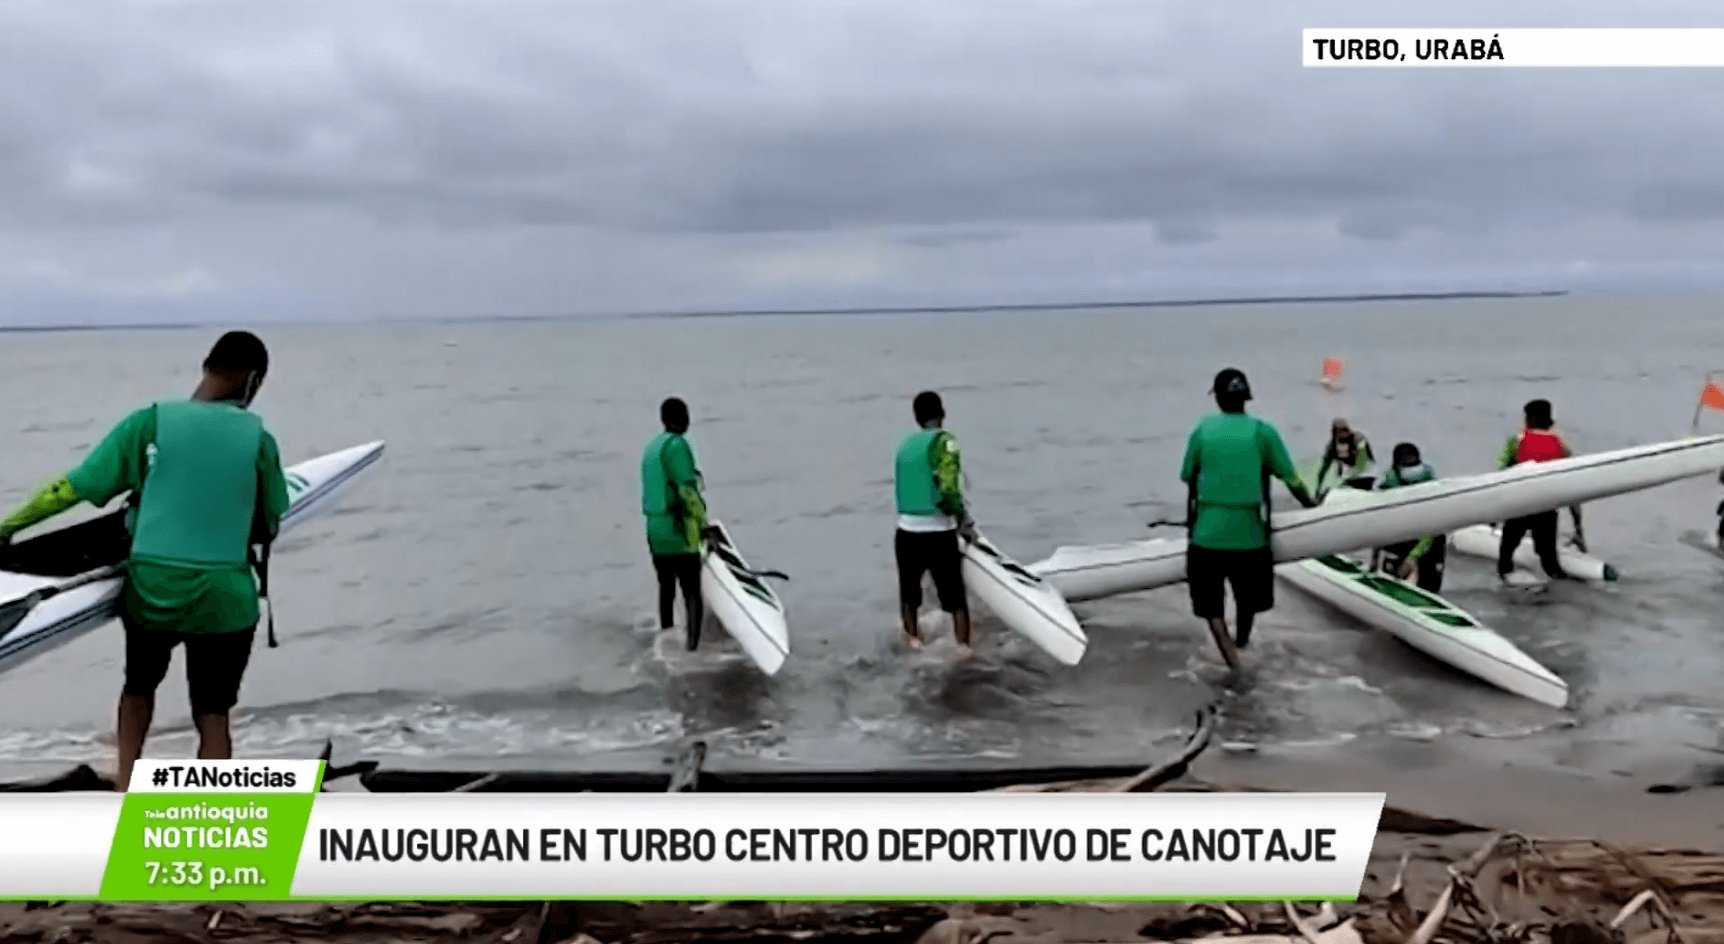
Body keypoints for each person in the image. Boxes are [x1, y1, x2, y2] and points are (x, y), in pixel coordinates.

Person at [0, 331, 288, 793]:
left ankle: (125, 788)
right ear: (251, 380)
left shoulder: (149, 424)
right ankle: (212, 812)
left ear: (206, 366)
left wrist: (9, 525)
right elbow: (272, 518)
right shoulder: (260, 440)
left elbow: (74, 488)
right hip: (225, 600)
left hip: (155, 590)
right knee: (213, 714)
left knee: (138, 691)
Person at [1179, 368, 1320, 669]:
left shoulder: (1202, 431)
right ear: (1247, 398)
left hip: (1207, 536)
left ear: (1217, 398)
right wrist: (1312, 505)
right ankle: (1242, 643)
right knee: (1248, 601)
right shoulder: (1263, 432)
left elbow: (1186, 475)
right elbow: (1290, 477)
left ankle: (1232, 660)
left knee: (1210, 607)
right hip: (1251, 536)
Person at [893, 390, 976, 657]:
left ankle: (913, 642)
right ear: (942, 413)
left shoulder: (905, 445)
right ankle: (963, 649)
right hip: (938, 533)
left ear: (917, 418)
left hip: (905, 532)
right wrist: (963, 519)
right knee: (956, 599)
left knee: (909, 595)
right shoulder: (945, 441)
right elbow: (949, 487)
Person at [641, 397, 709, 651]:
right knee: (692, 590)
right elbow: (688, 491)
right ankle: (692, 649)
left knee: (666, 587)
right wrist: (703, 526)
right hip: (677, 530)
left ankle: (666, 639)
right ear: (686, 418)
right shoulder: (678, 446)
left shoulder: (651, 448)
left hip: (654, 530)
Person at [1494, 398, 1584, 582]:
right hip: (1546, 508)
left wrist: (1493, 517)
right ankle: (1563, 592)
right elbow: (1571, 485)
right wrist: (1577, 526)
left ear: (1529, 418)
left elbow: (1500, 473)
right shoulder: (1560, 443)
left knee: (1506, 555)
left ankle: (1507, 585)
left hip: (1520, 506)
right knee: (1550, 562)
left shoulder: (1517, 440)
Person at [1374, 442, 1446, 592]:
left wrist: (1412, 557)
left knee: (1429, 584)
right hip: (1399, 536)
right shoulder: (1390, 482)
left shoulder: (1429, 485)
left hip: (1427, 541)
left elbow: (1431, 530)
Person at [1315, 418, 1376, 492]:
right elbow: (1324, 469)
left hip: (1367, 476)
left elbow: (1362, 461)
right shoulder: (1332, 447)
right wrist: (1318, 488)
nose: (1345, 433)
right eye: (1341, 431)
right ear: (1335, 433)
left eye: (1346, 430)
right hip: (1349, 479)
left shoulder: (1360, 439)